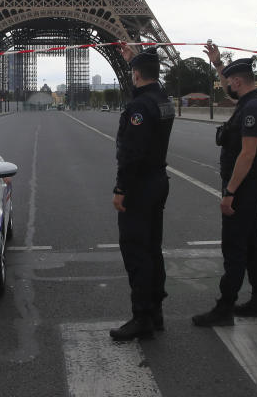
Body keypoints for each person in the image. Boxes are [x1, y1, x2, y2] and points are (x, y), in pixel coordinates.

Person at [192, 48, 257, 327]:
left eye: (230, 82)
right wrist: (218, 65)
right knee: (253, 246)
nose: (228, 86)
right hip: (252, 184)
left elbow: (247, 154)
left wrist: (230, 192)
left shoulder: (252, 109)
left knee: (235, 248)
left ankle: (224, 308)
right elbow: (231, 93)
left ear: (238, 82)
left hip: (244, 186)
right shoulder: (255, 101)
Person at [109, 44, 175, 341]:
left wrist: (121, 188)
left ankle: (141, 317)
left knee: (136, 251)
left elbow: (131, 153)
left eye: (133, 72)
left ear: (136, 75)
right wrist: (132, 59)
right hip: (159, 179)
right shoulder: (163, 101)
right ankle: (155, 311)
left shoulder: (139, 107)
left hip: (139, 185)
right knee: (152, 248)